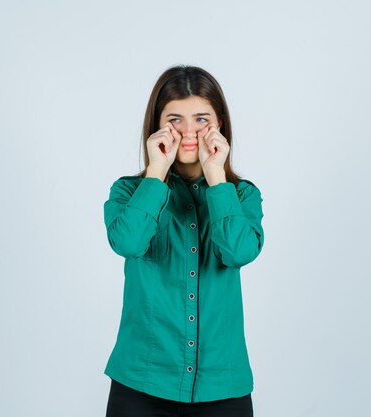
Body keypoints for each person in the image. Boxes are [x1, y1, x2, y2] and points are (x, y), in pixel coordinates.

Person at [102, 65, 265, 417]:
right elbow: (127, 242)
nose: (189, 132)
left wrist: (216, 179)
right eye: (175, 119)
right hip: (141, 386)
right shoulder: (128, 192)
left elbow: (239, 250)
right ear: (158, 125)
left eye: (202, 119)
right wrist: (157, 171)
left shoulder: (241, 195)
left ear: (219, 124)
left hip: (223, 388)